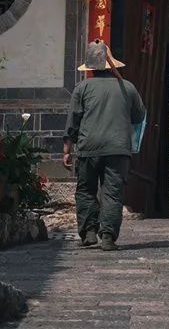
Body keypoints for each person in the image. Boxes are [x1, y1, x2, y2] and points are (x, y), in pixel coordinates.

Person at [63, 39, 145, 251]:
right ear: (111, 65)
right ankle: (108, 236)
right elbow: (139, 116)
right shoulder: (127, 87)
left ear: (90, 68)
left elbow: (73, 121)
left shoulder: (82, 88)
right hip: (118, 148)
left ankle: (89, 232)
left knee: (86, 190)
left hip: (88, 147)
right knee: (112, 192)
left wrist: (67, 150)